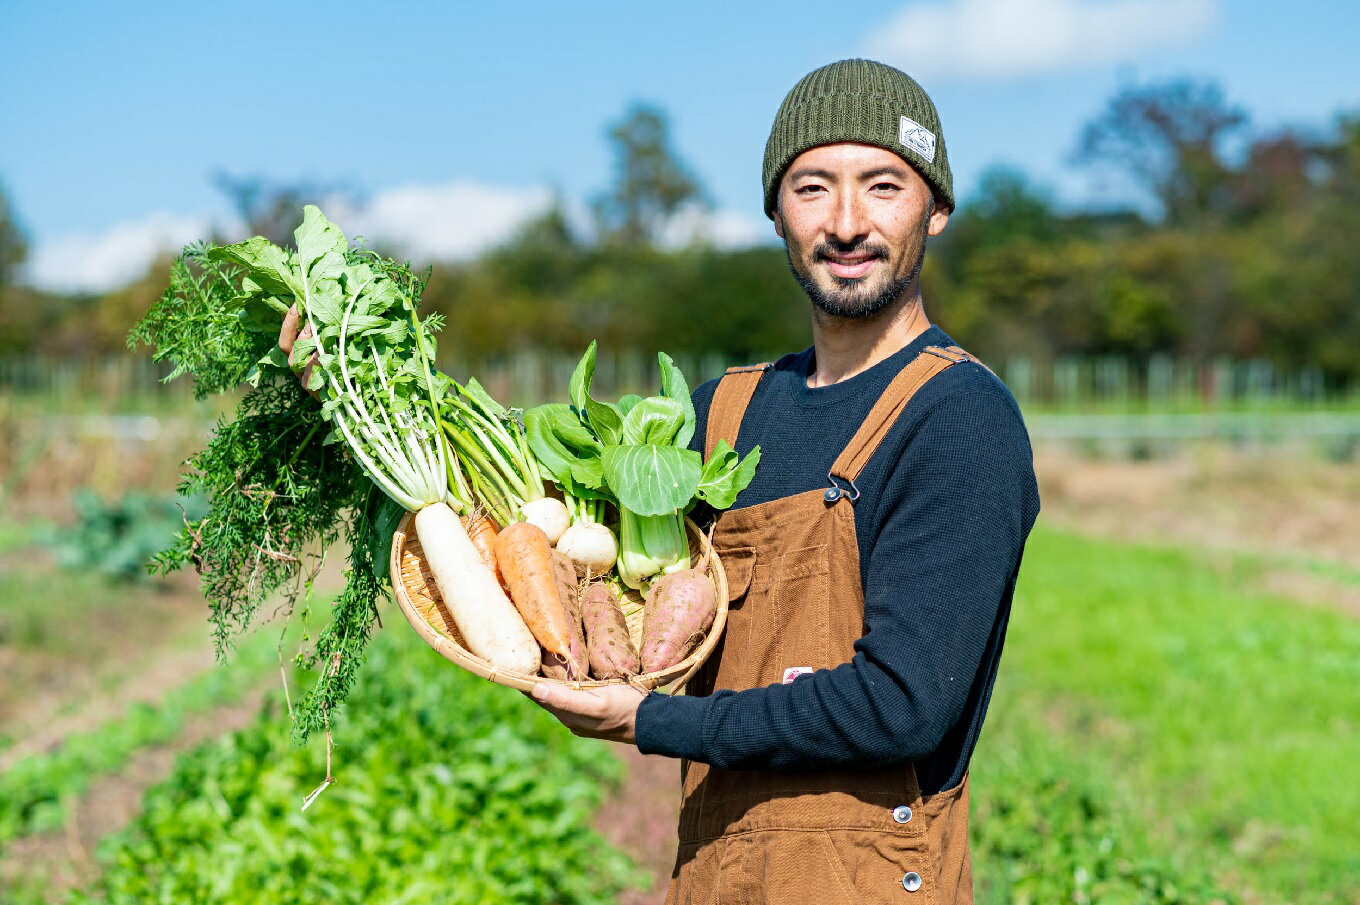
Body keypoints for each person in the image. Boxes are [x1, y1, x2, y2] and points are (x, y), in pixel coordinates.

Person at [529, 58, 1040, 905]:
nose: (846, 222)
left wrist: (653, 722)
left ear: (936, 209)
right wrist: (358, 395)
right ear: (776, 213)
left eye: (883, 186)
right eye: (811, 188)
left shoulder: (957, 417)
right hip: (718, 874)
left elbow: (900, 703)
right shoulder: (724, 413)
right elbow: (543, 509)